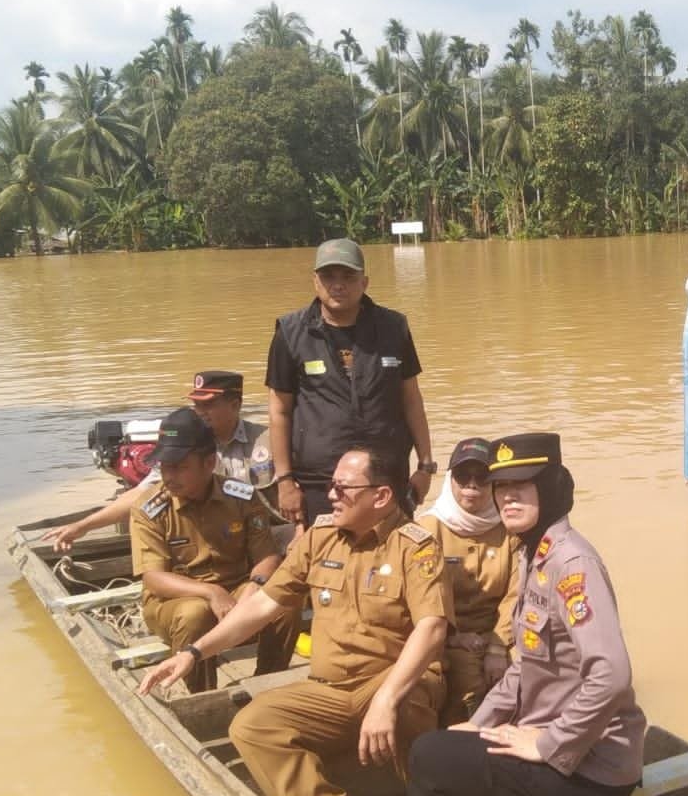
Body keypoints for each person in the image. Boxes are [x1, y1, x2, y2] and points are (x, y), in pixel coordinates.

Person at [139, 445, 452, 796]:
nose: (332, 495)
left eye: (343, 488)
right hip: (332, 691)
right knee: (251, 727)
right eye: (330, 485)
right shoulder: (318, 540)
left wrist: (386, 699)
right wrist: (194, 653)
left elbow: (432, 629)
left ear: (381, 496)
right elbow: (263, 606)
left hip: (394, 680)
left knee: (410, 701)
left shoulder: (416, 548)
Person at [407, 433, 646, 796]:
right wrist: (478, 725)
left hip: (590, 768)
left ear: (551, 489)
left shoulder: (572, 564)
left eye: (521, 486)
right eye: (501, 487)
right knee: (445, 741)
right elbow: (526, 668)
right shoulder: (532, 554)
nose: (506, 498)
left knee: (428, 759)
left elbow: (612, 675)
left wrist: (551, 743)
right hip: (557, 742)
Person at [266, 238, 436, 527]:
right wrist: (284, 481)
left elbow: (411, 398)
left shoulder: (394, 328)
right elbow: (280, 410)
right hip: (319, 481)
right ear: (315, 281)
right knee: (325, 563)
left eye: (348, 276)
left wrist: (425, 466)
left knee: (393, 561)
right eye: (328, 276)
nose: (338, 285)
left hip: (387, 478)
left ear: (365, 282)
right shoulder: (291, 333)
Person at [130, 407, 297, 692]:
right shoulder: (150, 508)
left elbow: (267, 555)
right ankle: (202, 695)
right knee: (196, 613)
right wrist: (211, 593)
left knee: (284, 602)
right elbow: (153, 578)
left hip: (235, 589)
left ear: (209, 463)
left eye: (180, 467)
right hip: (174, 602)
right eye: (164, 467)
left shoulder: (241, 496)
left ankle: (266, 683)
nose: (169, 476)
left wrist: (254, 586)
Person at [46, 371, 278, 552]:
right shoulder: (183, 447)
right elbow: (143, 494)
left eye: (208, 405)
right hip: (212, 541)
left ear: (235, 405)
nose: (200, 412)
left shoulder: (269, 441)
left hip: (263, 537)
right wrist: (83, 526)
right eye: (196, 405)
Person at [418, 437, 520, 725]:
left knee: (537, 665)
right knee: (469, 678)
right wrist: (454, 637)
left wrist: (498, 647)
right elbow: (420, 598)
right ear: (450, 479)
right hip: (446, 635)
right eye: (463, 476)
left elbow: (515, 594)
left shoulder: (510, 531)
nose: (472, 485)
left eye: (482, 477)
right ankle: (462, 744)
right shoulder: (427, 529)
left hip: (499, 635)